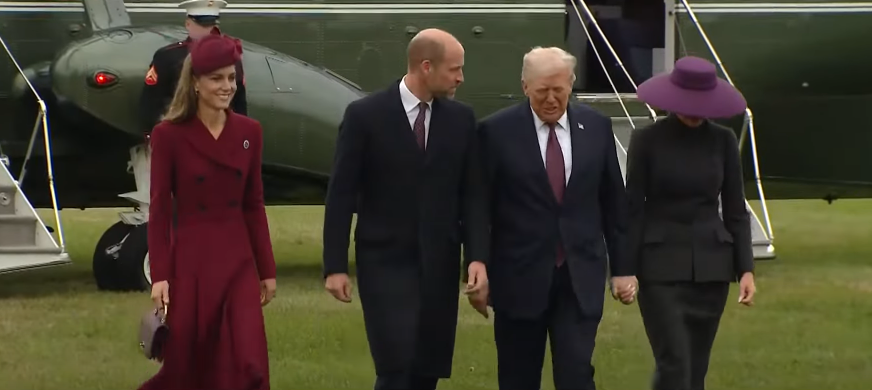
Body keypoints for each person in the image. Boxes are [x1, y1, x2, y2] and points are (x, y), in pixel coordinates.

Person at [321, 28, 489, 390]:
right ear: (425, 67)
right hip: (384, 262)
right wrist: (334, 266)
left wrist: (476, 258)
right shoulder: (365, 116)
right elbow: (341, 193)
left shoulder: (461, 120)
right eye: (454, 69)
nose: (461, 77)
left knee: (426, 370)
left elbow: (473, 194)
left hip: (439, 263)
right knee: (396, 366)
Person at [476, 46, 636, 390]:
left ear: (571, 84)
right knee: (518, 377)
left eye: (559, 90)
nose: (551, 99)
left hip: (580, 276)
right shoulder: (495, 132)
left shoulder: (596, 127)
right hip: (519, 277)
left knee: (577, 373)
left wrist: (623, 269)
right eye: (542, 92)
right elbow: (479, 207)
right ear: (524, 87)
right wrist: (477, 266)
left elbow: (613, 203)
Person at [139, 33, 276, 390]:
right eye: (217, 78)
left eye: (231, 78)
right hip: (192, 262)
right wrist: (161, 276)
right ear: (195, 83)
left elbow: (253, 204)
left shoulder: (251, 132)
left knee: (250, 363)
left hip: (238, 261)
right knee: (188, 365)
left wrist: (267, 269)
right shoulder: (168, 135)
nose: (227, 86)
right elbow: (159, 209)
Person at [627, 55, 757, 390]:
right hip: (659, 267)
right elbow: (631, 208)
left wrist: (745, 269)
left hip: (712, 268)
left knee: (695, 369)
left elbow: (735, 209)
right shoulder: (646, 140)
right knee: (674, 363)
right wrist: (623, 268)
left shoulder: (724, 141)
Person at [139, 0, 247, 132]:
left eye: (212, 24)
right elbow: (151, 102)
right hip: (178, 131)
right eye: (202, 24)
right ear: (188, 24)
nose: (209, 30)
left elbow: (239, 102)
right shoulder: (168, 56)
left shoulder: (231, 56)